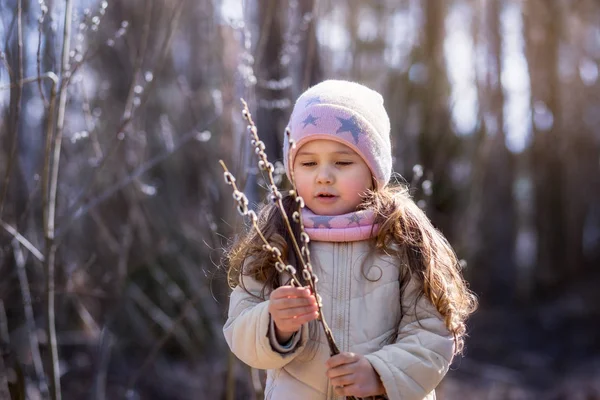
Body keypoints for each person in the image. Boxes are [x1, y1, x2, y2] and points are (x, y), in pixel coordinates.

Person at [223, 80, 477, 400]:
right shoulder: (276, 235)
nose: (324, 175)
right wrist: (275, 325)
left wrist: (382, 373)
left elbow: (434, 330)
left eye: (342, 162)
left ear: (373, 171)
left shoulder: (402, 235)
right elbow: (239, 327)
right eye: (308, 162)